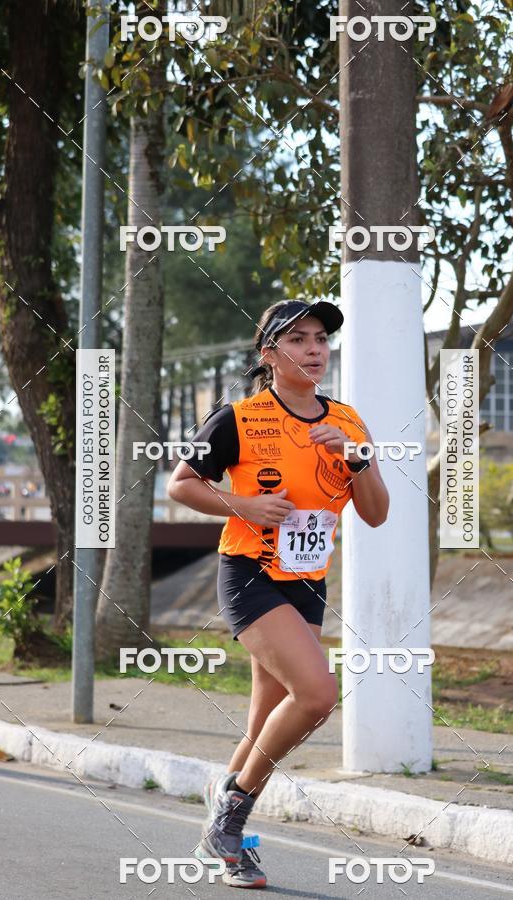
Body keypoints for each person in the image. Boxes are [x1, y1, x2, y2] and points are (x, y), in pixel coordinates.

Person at [167, 299, 389, 889]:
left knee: (265, 718)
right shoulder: (238, 418)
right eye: (298, 339)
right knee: (317, 695)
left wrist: (355, 456)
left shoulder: (348, 421)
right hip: (249, 573)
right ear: (269, 354)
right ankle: (233, 812)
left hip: (308, 580)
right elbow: (181, 485)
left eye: (321, 339)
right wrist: (244, 504)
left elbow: (377, 514)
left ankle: (226, 837)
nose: (315, 349)